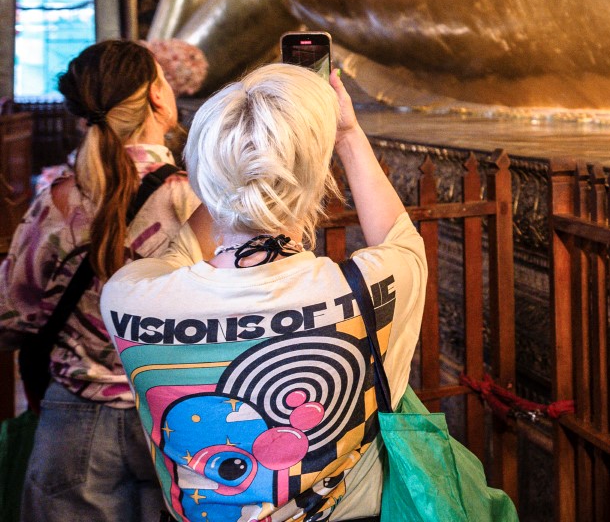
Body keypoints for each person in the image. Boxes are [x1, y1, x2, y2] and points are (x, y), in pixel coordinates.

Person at [101, 64, 426, 522]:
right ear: (315, 180)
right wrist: (347, 135)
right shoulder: (367, 289)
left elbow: (180, 252)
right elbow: (400, 239)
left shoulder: (128, 298)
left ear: (201, 176)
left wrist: (232, 174)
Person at [0, 39, 205, 522]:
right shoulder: (199, 202)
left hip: (74, 422)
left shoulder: (57, 201)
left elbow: (11, 315)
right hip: (182, 419)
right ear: (157, 97)